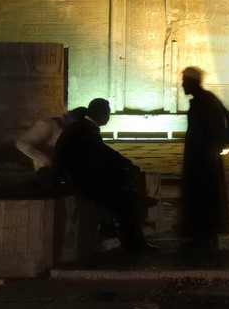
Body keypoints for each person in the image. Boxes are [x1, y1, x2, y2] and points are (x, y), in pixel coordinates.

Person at [53, 98, 154, 254]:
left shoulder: (83, 127)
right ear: (101, 114)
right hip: (77, 180)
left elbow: (104, 152)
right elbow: (96, 159)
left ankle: (131, 207)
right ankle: (135, 244)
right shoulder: (86, 131)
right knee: (123, 202)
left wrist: (125, 163)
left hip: (76, 176)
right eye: (108, 112)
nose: (109, 115)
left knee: (122, 195)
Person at [179, 66, 229, 251]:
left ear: (192, 83)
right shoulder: (208, 98)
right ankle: (204, 234)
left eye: (185, 82)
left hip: (201, 159)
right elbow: (228, 119)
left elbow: (204, 131)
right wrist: (223, 142)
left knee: (202, 196)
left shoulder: (202, 102)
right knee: (207, 196)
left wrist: (211, 147)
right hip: (206, 156)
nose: (182, 85)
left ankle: (203, 235)